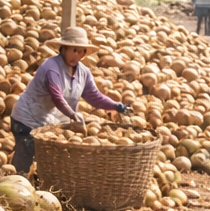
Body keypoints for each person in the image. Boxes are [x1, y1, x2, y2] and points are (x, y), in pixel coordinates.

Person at [10, 27, 130, 176]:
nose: (77, 55)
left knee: (47, 164)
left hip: (50, 124)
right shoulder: (51, 67)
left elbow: (94, 96)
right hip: (27, 119)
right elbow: (57, 96)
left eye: (81, 51)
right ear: (64, 48)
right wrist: (73, 114)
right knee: (26, 160)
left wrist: (115, 105)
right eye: (74, 50)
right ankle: (16, 182)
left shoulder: (83, 72)